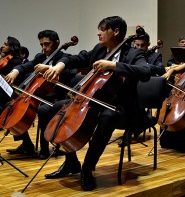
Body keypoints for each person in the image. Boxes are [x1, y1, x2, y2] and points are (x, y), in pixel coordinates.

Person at [41, 16, 151, 191]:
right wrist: (59, 66)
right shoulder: (99, 50)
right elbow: (77, 58)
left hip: (122, 108)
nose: (98, 33)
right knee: (52, 108)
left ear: (115, 32)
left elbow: (146, 72)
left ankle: (87, 168)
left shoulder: (133, 53)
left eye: (102, 29)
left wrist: (114, 66)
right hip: (95, 100)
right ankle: (71, 162)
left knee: (107, 117)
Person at [4, 30, 77, 159]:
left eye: (47, 44)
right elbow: (27, 65)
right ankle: (26, 144)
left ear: (57, 43)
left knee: (43, 110)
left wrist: (51, 69)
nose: (44, 48)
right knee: (9, 105)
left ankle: (44, 148)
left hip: (57, 98)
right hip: (38, 96)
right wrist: (15, 72)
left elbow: (71, 72)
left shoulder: (65, 58)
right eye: (42, 45)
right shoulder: (40, 57)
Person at [0, 36, 22, 111]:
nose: (2, 46)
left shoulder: (16, 61)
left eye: (6, 44)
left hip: (7, 93)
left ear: (12, 47)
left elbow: (9, 81)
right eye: (3, 44)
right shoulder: (4, 59)